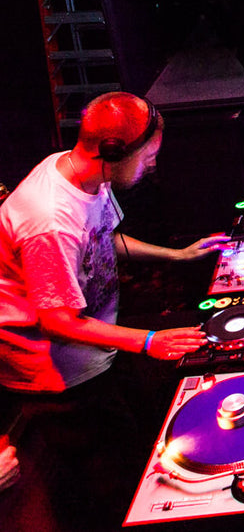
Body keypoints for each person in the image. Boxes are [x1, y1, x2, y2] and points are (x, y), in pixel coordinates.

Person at [0, 92, 216, 527]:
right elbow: (55, 320)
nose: (153, 165)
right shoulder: (49, 221)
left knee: (143, 436)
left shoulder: (86, 176)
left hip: (97, 348)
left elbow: (105, 240)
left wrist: (177, 255)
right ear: (114, 151)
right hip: (58, 375)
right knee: (111, 485)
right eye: (149, 156)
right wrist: (148, 341)